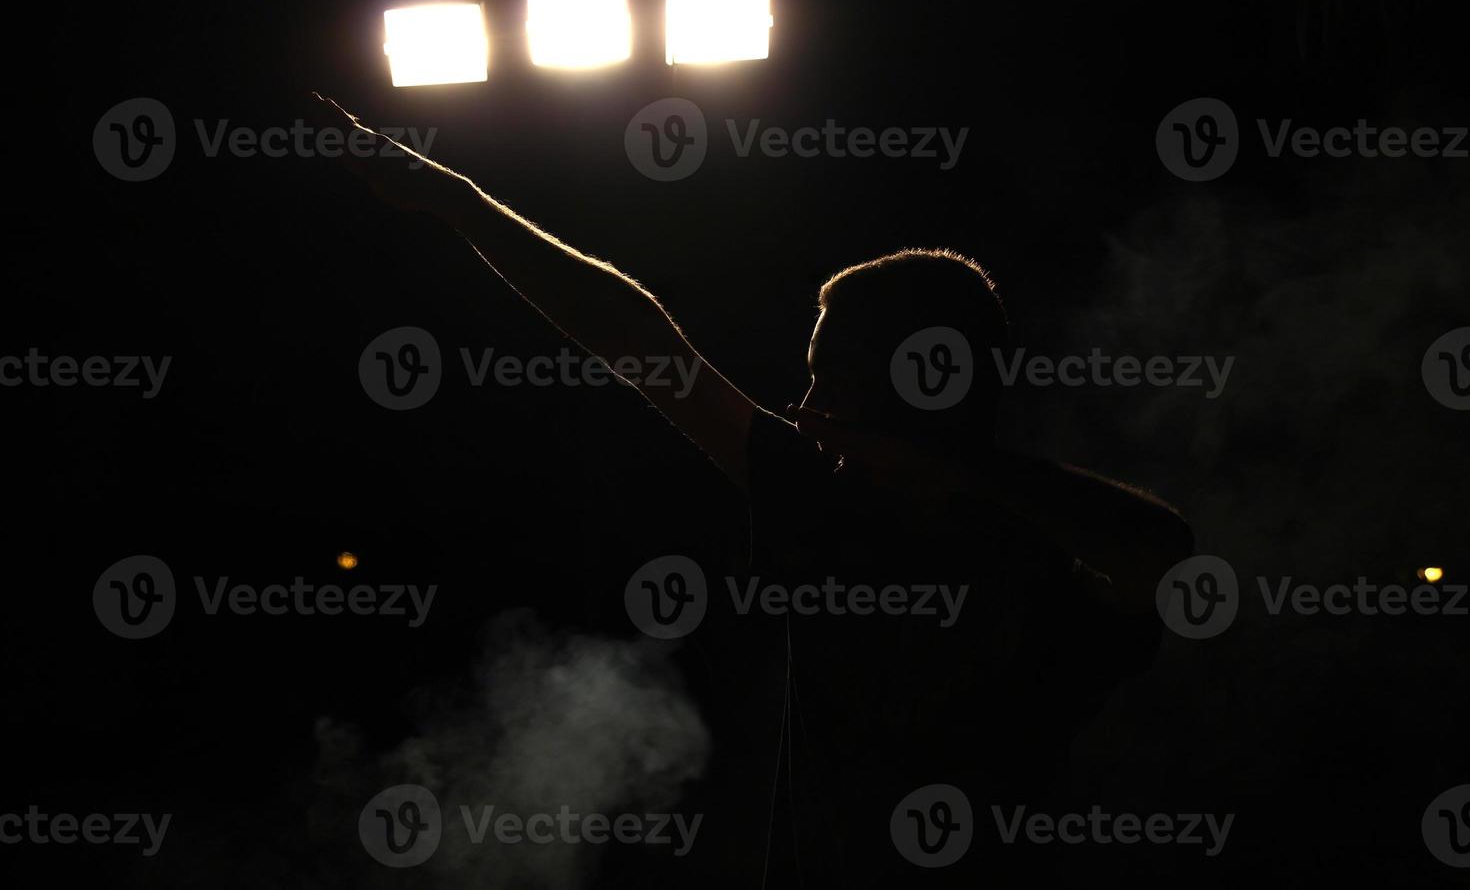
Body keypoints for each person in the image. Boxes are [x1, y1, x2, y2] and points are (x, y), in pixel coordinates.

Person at [319, 95, 1194, 887]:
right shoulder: (825, 499)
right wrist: (459, 202)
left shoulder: (1042, 554)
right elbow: (641, 344)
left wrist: (947, 469)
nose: (807, 410)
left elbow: (1164, 553)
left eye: (835, 383)